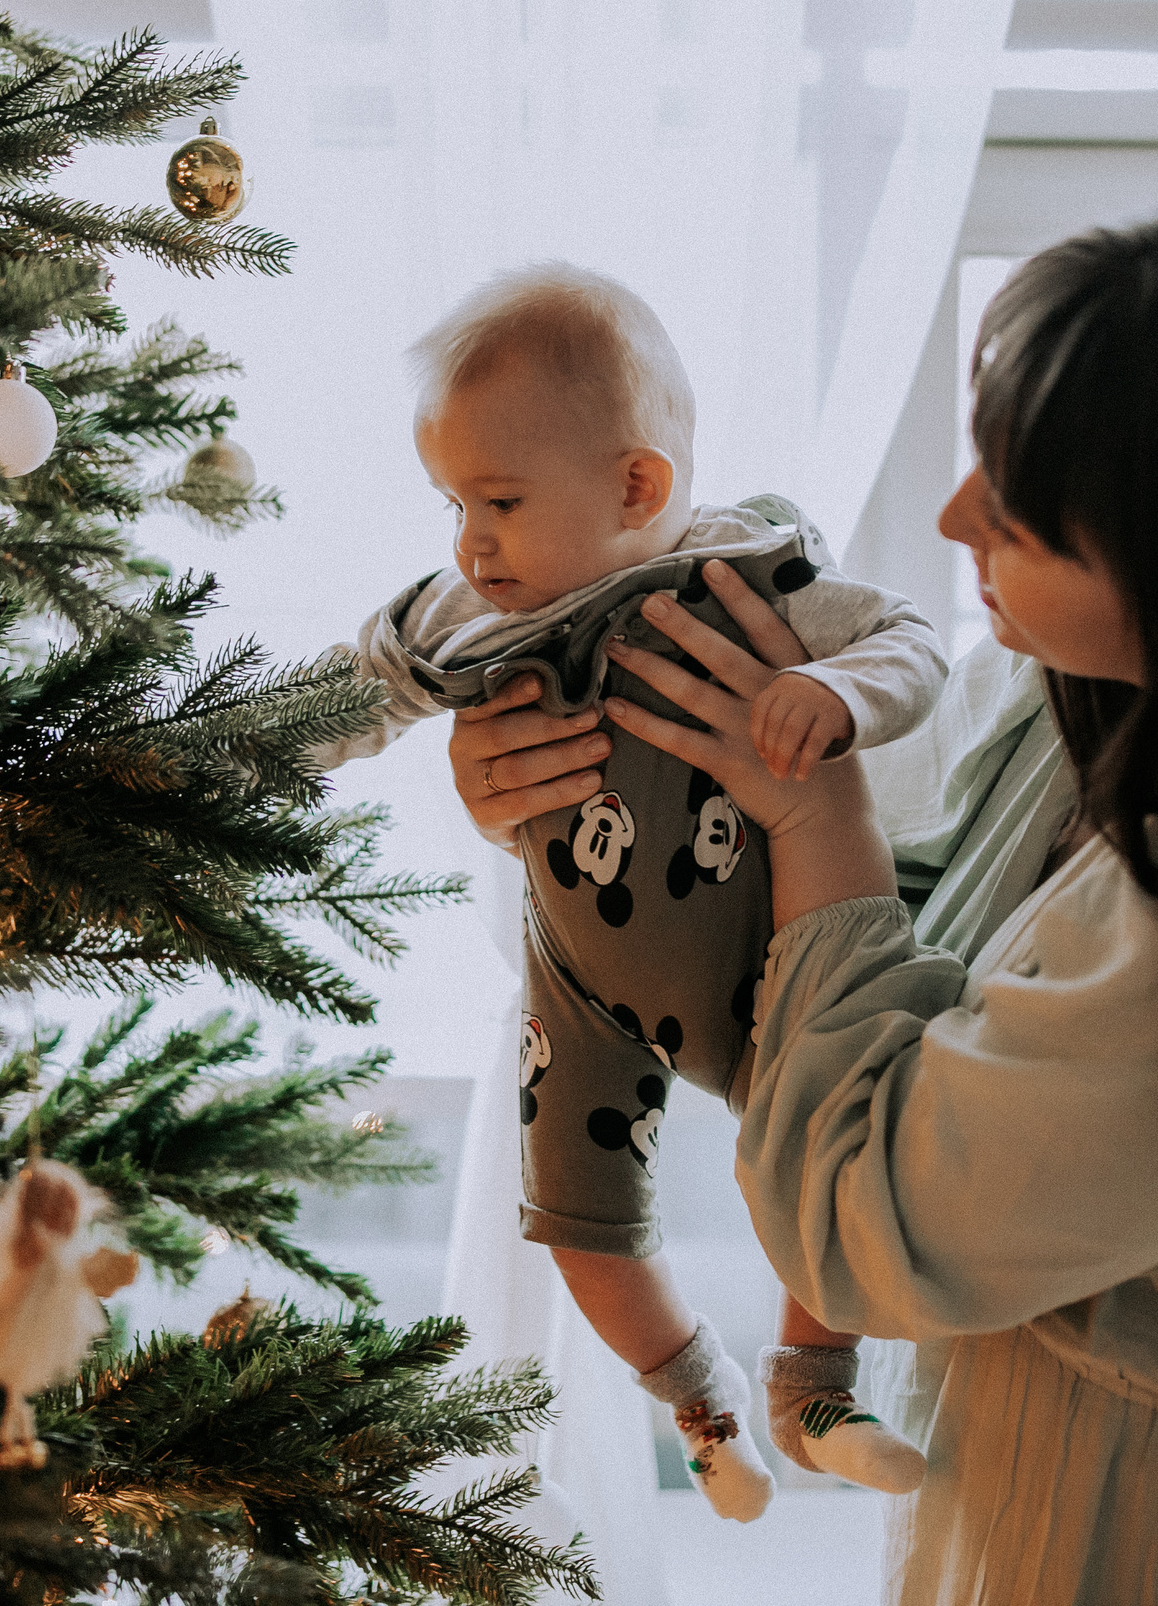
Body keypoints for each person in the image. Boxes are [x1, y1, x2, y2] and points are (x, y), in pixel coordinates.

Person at [447, 201, 1158, 1601]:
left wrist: (811, 800)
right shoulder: (1098, 707)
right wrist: (558, 779)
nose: (954, 518)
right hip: (1106, 1455)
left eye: (1013, 507)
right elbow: (849, 920)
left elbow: (861, 1218)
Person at [317, 263, 950, 1519]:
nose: (467, 543)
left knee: (819, 1157)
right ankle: (702, 1403)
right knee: (574, 1221)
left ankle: (814, 1386)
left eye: (496, 500)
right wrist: (207, 758)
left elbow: (913, 643)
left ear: (637, 486)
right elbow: (355, 690)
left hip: (772, 965)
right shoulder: (464, 617)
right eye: (450, 503)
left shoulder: (742, 582)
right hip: (582, 980)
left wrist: (831, 697)